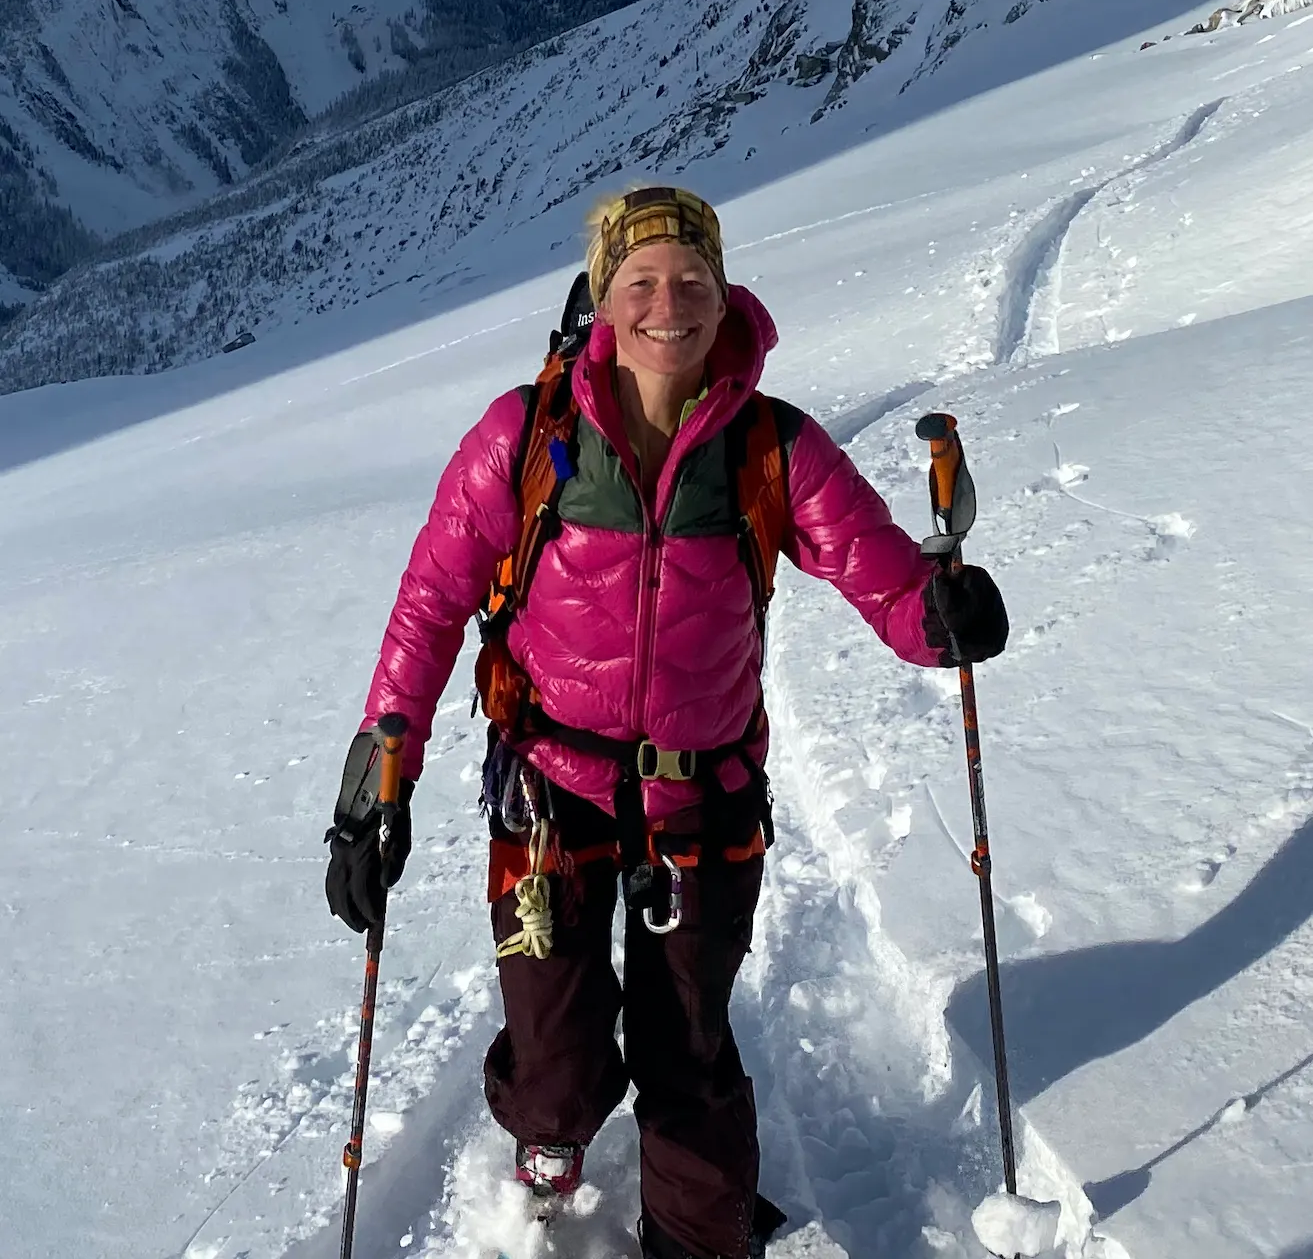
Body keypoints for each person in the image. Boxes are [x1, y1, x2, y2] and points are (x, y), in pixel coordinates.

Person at [325, 185, 1007, 1259]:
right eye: (639, 281)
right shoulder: (525, 436)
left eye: (690, 278)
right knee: (553, 1056)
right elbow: (431, 603)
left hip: (704, 799)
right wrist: (376, 789)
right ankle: (549, 1130)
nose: (667, 303)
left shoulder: (770, 447)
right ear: (603, 300)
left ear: (723, 290)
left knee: (685, 1049)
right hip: (547, 792)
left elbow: (881, 582)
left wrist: (941, 619)